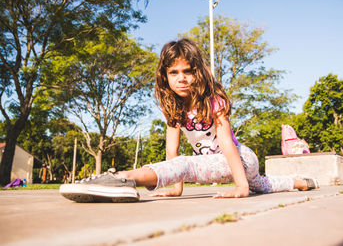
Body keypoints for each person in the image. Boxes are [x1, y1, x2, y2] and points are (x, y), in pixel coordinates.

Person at [59, 38, 318, 203]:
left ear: (198, 72)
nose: (181, 78)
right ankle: (301, 182)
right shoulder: (173, 106)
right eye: (174, 72)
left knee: (200, 167)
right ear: (165, 76)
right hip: (218, 164)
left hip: (240, 157)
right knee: (261, 185)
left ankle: (121, 178)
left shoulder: (213, 100)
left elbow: (227, 144)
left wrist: (240, 187)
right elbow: (172, 150)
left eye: (188, 71)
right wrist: (175, 188)